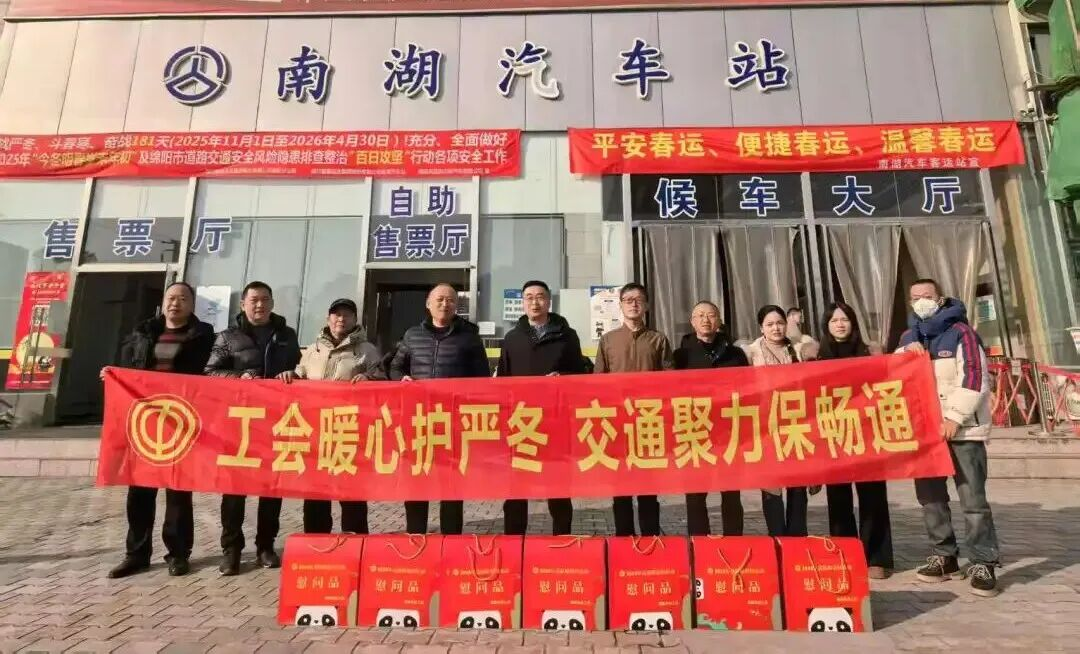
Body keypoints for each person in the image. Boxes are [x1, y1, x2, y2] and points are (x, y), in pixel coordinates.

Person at [104, 282, 214, 579]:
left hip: (181, 421)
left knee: (178, 491)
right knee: (139, 491)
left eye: (183, 298)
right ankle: (136, 554)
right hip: (146, 420)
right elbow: (126, 367)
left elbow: (207, 376)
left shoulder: (203, 336)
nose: (175, 303)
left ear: (192, 305)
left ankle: (178, 554)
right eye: (171, 298)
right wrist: (112, 375)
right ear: (163, 302)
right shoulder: (143, 332)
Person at [899, 279, 1000, 597]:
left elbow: (975, 376)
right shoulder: (907, 337)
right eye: (915, 297)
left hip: (964, 430)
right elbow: (894, 378)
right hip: (925, 435)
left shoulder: (962, 333)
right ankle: (945, 556)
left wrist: (954, 417)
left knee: (973, 500)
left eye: (927, 296)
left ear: (940, 299)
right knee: (931, 499)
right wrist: (905, 354)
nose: (921, 302)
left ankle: (983, 561)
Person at [205, 281, 301, 576]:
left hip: (275, 420)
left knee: (271, 487)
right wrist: (239, 378)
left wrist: (293, 374)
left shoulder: (286, 335)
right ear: (243, 304)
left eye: (265, 300)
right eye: (254, 300)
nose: (260, 305)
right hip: (239, 423)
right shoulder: (227, 336)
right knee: (234, 490)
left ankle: (265, 546)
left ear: (272, 303)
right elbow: (210, 372)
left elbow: (299, 369)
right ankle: (231, 550)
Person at [389, 283, 491, 535]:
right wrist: (401, 378)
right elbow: (395, 367)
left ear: (457, 305)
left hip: (453, 423)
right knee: (416, 480)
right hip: (419, 421)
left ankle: (451, 538)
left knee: (452, 484)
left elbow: (482, 379)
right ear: (428, 304)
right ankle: (415, 535)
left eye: (451, 300)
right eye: (440, 299)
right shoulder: (412, 335)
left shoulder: (469, 338)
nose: (445, 304)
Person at [280, 298, 385, 535]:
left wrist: (370, 379)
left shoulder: (367, 350)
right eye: (337, 314)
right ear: (328, 318)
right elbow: (300, 374)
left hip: (349, 431)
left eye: (347, 315)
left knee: (352, 494)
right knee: (316, 493)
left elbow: (383, 379)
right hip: (316, 431)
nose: (341, 319)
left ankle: (355, 542)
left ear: (355, 320)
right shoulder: (313, 350)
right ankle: (316, 541)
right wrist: (291, 375)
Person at [497, 280, 584, 536]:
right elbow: (503, 380)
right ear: (522, 303)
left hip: (556, 421)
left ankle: (562, 538)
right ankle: (514, 541)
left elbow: (581, 375)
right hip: (521, 422)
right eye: (529, 297)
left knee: (558, 486)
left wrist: (563, 377)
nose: (535, 302)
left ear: (549, 301)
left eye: (540, 297)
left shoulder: (567, 336)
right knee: (516, 487)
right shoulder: (512, 338)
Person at [818, 301, 894, 580]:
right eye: (834, 320)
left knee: (873, 497)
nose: (840, 324)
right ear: (826, 326)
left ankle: (876, 557)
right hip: (834, 435)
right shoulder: (818, 359)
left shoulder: (869, 354)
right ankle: (845, 554)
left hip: (867, 434)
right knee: (838, 500)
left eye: (845, 319)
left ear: (853, 323)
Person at [594, 283, 674, 537]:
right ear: (620, 305)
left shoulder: (658, 339)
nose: (633, 304)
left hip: (648, 423)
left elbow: (670, 381)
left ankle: (651, 538)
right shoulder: (608, 340)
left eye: (638, 299)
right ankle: (624, 540)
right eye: (628, 300)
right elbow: (598, 382)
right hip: (618, 424)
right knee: (621, 490)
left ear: (646, 305)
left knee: (648, 489)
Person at [673, 301, 748, 537]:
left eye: (711, 315)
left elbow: (748, 389)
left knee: (731, 492)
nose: (706, 320)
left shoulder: (735, 354)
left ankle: (734, 540)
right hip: (694, 430)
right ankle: (699, 542)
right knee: (695, 493)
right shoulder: (681, 356)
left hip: (728, 431)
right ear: (692, 322)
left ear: (719, 321)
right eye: (700, 316)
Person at [745, 304, 815, 537]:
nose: (776, 328)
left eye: (780, 323)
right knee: (771, 488)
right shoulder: (751, 353)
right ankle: (777, 537)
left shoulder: (799, 349)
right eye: (770, 324)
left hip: (796, 425)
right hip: (767, 427)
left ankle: (797, 538)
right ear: (761, 328)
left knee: (798, 487)